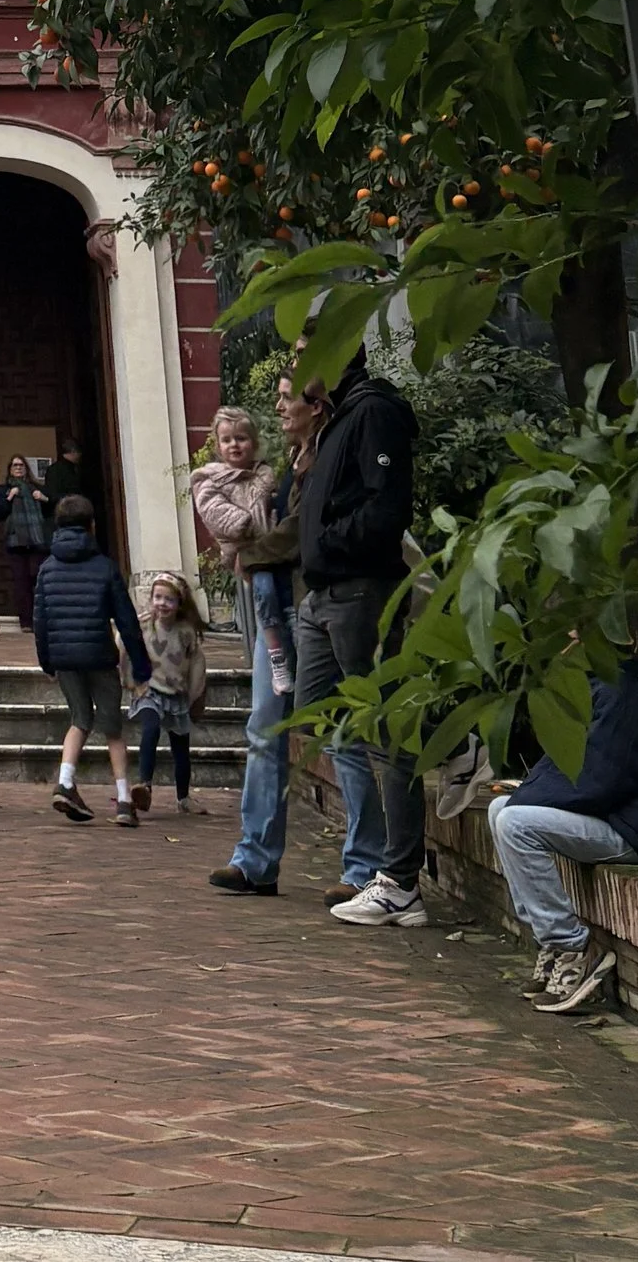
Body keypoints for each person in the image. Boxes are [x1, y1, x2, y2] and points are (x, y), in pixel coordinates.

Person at [291, 351, 427, 926]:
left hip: (358, 590)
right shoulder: (337, 417)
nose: (296, 366)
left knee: (386, 732)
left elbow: (386, 505)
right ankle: (373, 861)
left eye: (304, 354)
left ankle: (397, 880)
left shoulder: (373, 411)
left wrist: (330, 541)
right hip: (321, 594)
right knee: (316, 713)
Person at [489, 651, 638, 1013]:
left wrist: (528, 797)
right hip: (622, 819)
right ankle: (552, 945)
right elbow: (564, 771)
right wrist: (525, 795)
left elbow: (596, 783)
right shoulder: (588, 694)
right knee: (499, 810)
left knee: (515, 821)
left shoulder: (619, 695)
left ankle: (572, 947)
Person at [209, 372, 320, 897]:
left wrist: (253, 553)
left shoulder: (308, 462)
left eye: (284, 396)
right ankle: (255, 859)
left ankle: (369, 869)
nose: (278, 406)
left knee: (341, 735)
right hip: (273, 606)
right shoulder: (285, 467)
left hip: (308, 605)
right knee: (263, 730)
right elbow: (224, 517)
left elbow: (297, 533)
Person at [32, 491, 150, 826]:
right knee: (112, 728)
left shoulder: (47, 569)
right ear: (91, 526)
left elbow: (40, 620)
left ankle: (66, 782)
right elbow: (126, 621)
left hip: (65, 658)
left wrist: (46, 662)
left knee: (79, 719)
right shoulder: (105, 567)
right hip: (99, 655)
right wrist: (141, 666)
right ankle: (124, 799)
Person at [190, 405, 292, 700]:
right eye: (227, 440)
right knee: (265, 595)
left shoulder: (265, 474)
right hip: (246, 553)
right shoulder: (209, 479)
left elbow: (276, 506)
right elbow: (214, 512)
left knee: (278, 599)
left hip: (273, 550)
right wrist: (245, 523)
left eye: (241, 438)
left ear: (254, 442)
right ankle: (277, 661)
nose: (234, 445)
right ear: (218, 445)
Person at [133, 572, 209, 813]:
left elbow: (197, 664)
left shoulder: (186, 632)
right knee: (150, 728)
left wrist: (196, 695)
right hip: (150, 690)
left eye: (169, 599)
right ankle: (144, 785)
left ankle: (183, 798)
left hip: (176, 694)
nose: (162, 604)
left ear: (179, 604)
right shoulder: (144, 625)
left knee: (181, 750)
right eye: (158, 597)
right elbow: (124, 647)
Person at [0, 454, 51, 632]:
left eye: (21, 465)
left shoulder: (36, 489)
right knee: (21, 582)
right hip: (16, 541)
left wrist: (44, 499)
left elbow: (51, 510)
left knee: (38, 579)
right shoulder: (5, 490)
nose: (18, 468)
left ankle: (40, 618)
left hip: (37, 540)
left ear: (26, 468)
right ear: (10, 469)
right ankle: (26, 622)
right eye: (15, 465)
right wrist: (9, 498)